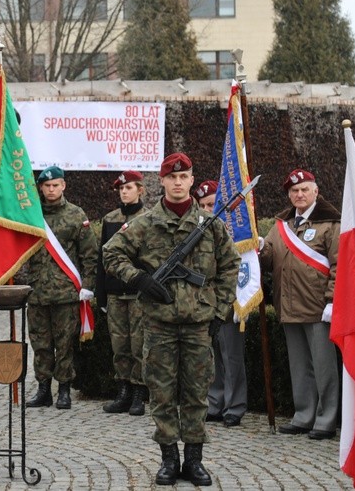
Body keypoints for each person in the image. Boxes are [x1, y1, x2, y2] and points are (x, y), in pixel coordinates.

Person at [103, 153, 240, 487]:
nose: (178, 183)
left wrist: (219, 313)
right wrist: (139, 279)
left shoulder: (211, 225)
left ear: (192, 180)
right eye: (171, 178)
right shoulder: (145, 223)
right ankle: (168, 460)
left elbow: (230, 267)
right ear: (161, 182)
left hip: (197, 325)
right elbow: (111, 253)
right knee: (162, 394)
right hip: (159, 325)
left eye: (184, 177)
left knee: (195, 394)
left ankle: (194, 460)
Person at [260, 169, 340, 441]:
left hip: (319, 307)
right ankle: (304, 415)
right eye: (294, 191)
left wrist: (332, 301)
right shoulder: (281, 224)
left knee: (324, 367)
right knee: (299, 365)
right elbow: (268, 262)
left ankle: (326, 419)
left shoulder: (330, 222)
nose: (299, 194)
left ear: (316, 191)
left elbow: (339, 265)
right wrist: (260, 248)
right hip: (289, 305)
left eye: (305, 189)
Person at [25, 166, 98, 410]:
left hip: (66, 292)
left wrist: (88, 286)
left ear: (63, 185)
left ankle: (64, 390)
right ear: (41, 188)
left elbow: (90, 255)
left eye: (55, 185)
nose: (51, 189)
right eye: (47, 186)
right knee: (40, 343)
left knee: (65, 343)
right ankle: (43, 389)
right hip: (37, 292)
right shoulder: (31, 215)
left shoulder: (76, 215)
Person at [194, 180, 247, 428]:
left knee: (231, 356)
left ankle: (234, 406)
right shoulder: (198, 230)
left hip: (228, 303)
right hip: (205, 303)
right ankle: (214, 403)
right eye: (203, 204)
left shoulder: (235, 231)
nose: (208, 208)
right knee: (211, 357)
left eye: (212, 204)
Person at [96, 170, 149, 416]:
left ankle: (139, 392)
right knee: (120, 344)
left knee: (139, 344)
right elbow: (102, 259)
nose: (124, 192)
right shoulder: (110, 219)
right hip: (115, 291)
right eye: (121, 189)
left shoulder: (149, 218)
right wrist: (101, 293)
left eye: (129, 188)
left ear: (140, 190)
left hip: (138, 292)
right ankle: (124, 390)